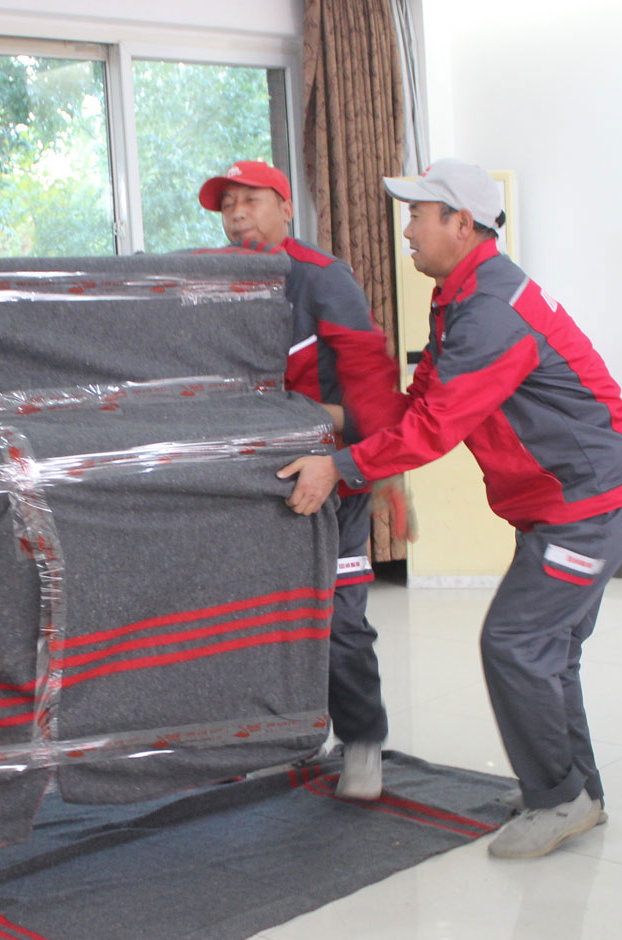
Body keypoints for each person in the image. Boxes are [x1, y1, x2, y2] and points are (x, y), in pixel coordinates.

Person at [277, 158, 622, 859]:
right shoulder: (459, 295)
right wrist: (332, 422)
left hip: (589, 503)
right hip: (565, 498)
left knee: (515, 643)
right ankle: (577, 793)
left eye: (418, 216)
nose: (407, 231)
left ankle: (558, 798)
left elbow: (433, 427)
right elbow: (420, 402)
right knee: (549, 650)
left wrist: (342, 467)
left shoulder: (489, 311)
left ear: (461, 223)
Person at [198, 160, 404, 800]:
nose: (237, 214)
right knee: (256, 621)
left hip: (333, 482)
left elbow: (373, 388)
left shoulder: (322, 278)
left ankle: (363, 743)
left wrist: (383, 473)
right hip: (253, 485)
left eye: (251, 200)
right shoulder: (215, 282)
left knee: (339, 621)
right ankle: (278, 739)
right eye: (227, 204)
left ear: (286, 208)